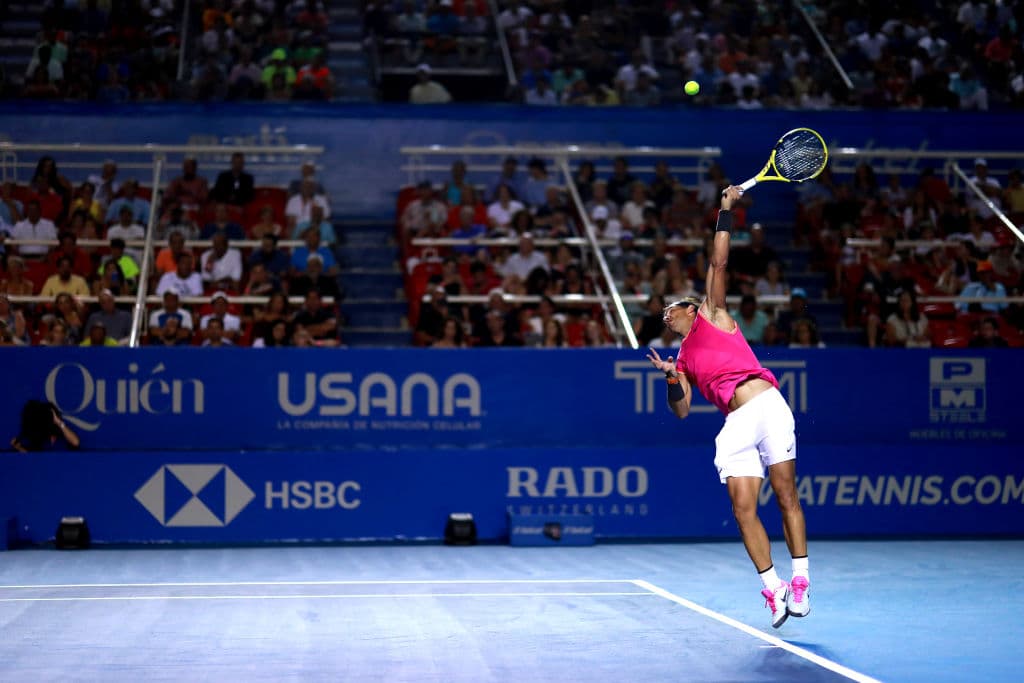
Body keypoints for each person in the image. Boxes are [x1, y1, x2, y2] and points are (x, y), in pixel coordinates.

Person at [645, 186, 809, 629]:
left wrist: (724, 211)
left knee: (786, 494)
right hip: (735, 423)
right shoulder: (681, 360)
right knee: (742, 510)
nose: (665, 315)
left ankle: (800, 579)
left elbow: (719, 262)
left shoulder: (712, 314)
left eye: (671, 308)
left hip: (766, 405)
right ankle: (773, 588)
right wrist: (671, 378)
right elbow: (681, 411)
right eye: (662, 315)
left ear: (689, 308)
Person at [10, 400, 80, 452]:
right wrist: (19, 448)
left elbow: (75, 442)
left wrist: (58, 422)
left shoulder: (61, 431)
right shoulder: (38, 437)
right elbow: (33, 459)